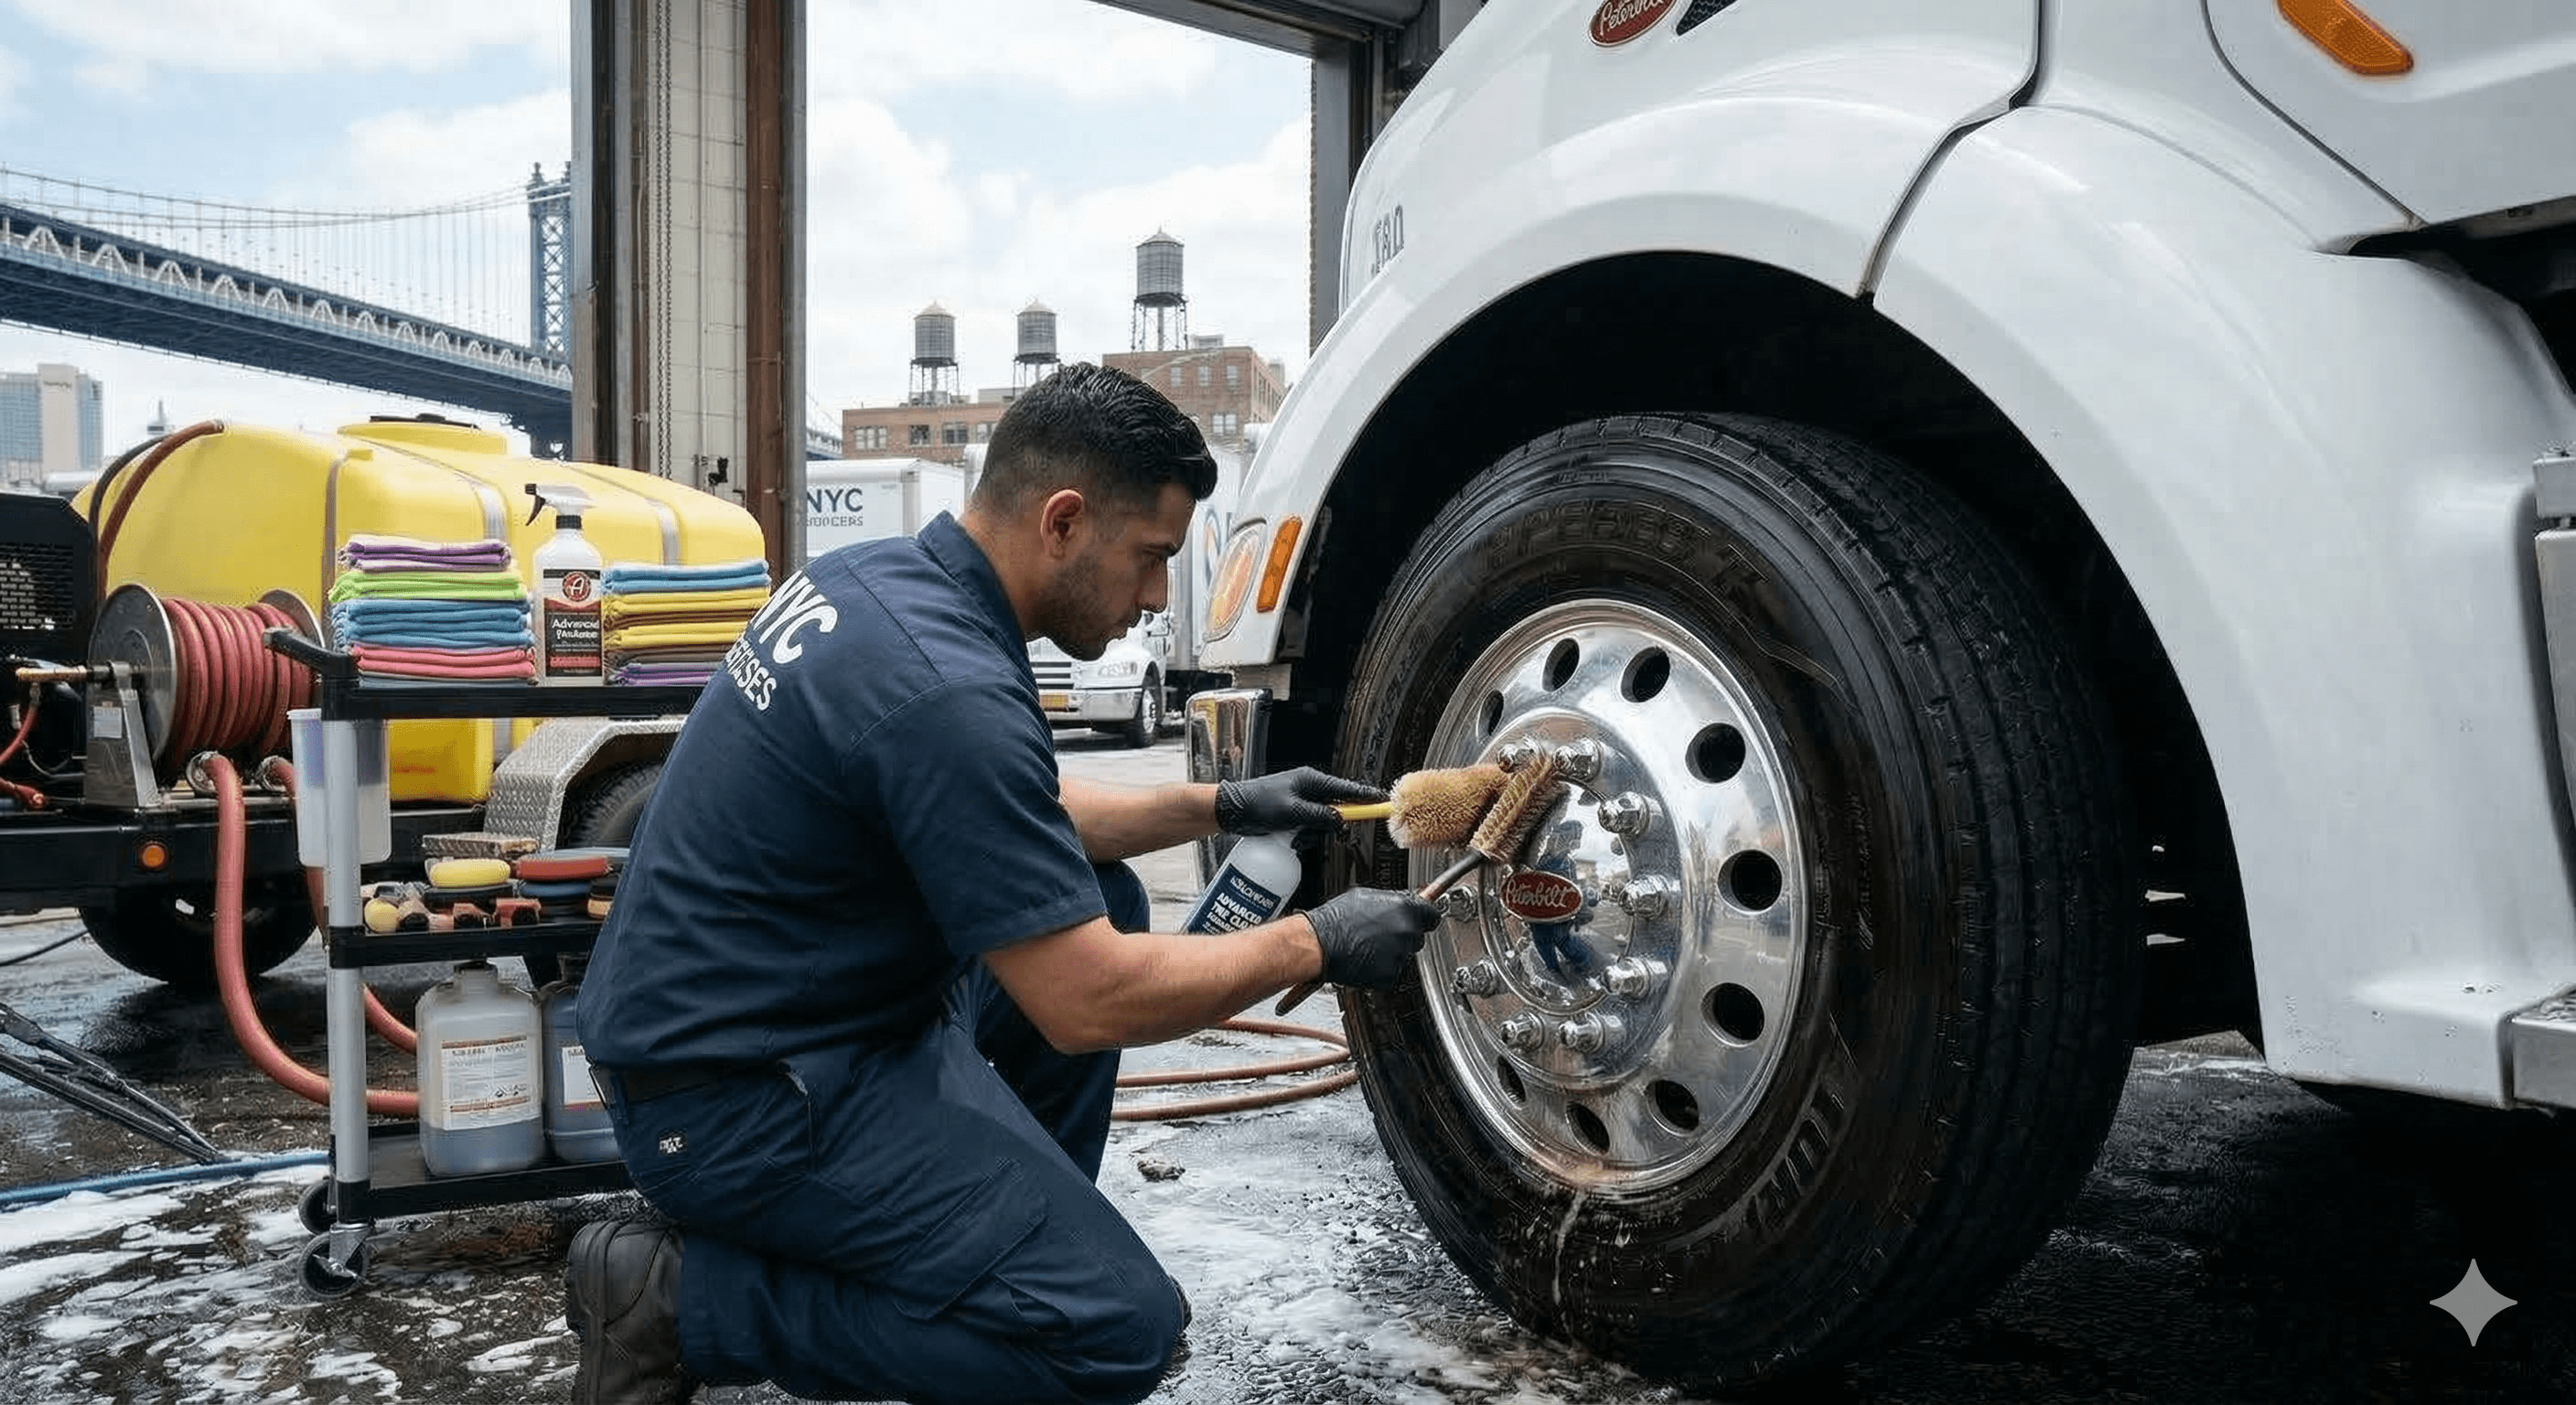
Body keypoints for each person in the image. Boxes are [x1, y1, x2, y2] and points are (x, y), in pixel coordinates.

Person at [563, 361, 1442, 1405]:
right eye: (1151, 557)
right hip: (734, 1103)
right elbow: (1086, 1002)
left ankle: (1007, 1257)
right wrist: (1318, 941)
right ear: (1062, 521)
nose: (1154, 597)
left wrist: (1222, 804)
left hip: (764, 1021)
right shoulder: (946, 686)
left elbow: (1016, 810)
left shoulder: (886, 586)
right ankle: (680, 1303)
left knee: (1106, 894)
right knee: (1113, 1334)